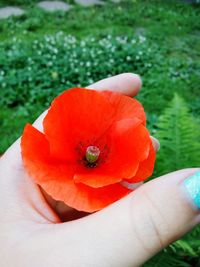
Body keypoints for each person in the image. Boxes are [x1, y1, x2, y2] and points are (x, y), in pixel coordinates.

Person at [0, 73, 199, 267]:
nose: (91, 152)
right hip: (71, 178)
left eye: (93, 152)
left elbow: (133, 137)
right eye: (90, 153)